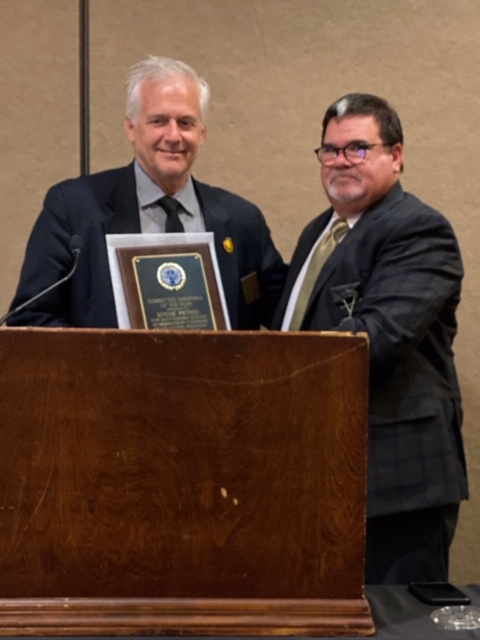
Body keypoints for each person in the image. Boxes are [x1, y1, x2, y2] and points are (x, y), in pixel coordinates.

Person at [272, 93, 468, 585]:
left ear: (396, 156)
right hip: (323, 472)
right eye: (330, 150)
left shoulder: (419, 230)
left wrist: (269, 372)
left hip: (395, 487)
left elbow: (375, 340)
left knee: (395, 624)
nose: (340, 161)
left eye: (358, 148)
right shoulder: (321, 231)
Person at [7, 56, 286, 329]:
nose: (174, 136)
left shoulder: (243, 221)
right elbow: (32, 318)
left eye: (186, 123)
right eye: (158, 121)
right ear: (131, 128)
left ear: (203, 133)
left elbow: (288, 315)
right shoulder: (73, 209)